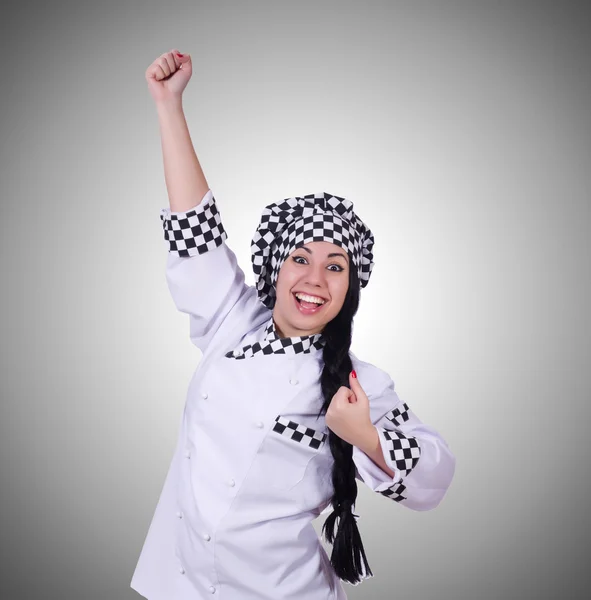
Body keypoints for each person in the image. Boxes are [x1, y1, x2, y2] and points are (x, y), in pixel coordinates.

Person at [131, 49, 456, 600]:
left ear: (350, 288)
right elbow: (195, 229)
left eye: (336, 267)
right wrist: (169, 106)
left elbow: (434, 479)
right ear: (274, 268)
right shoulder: (231, 323)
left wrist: (367, 437)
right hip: (179, 583)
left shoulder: (358, 382)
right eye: (300, 259)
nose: (315, 279)